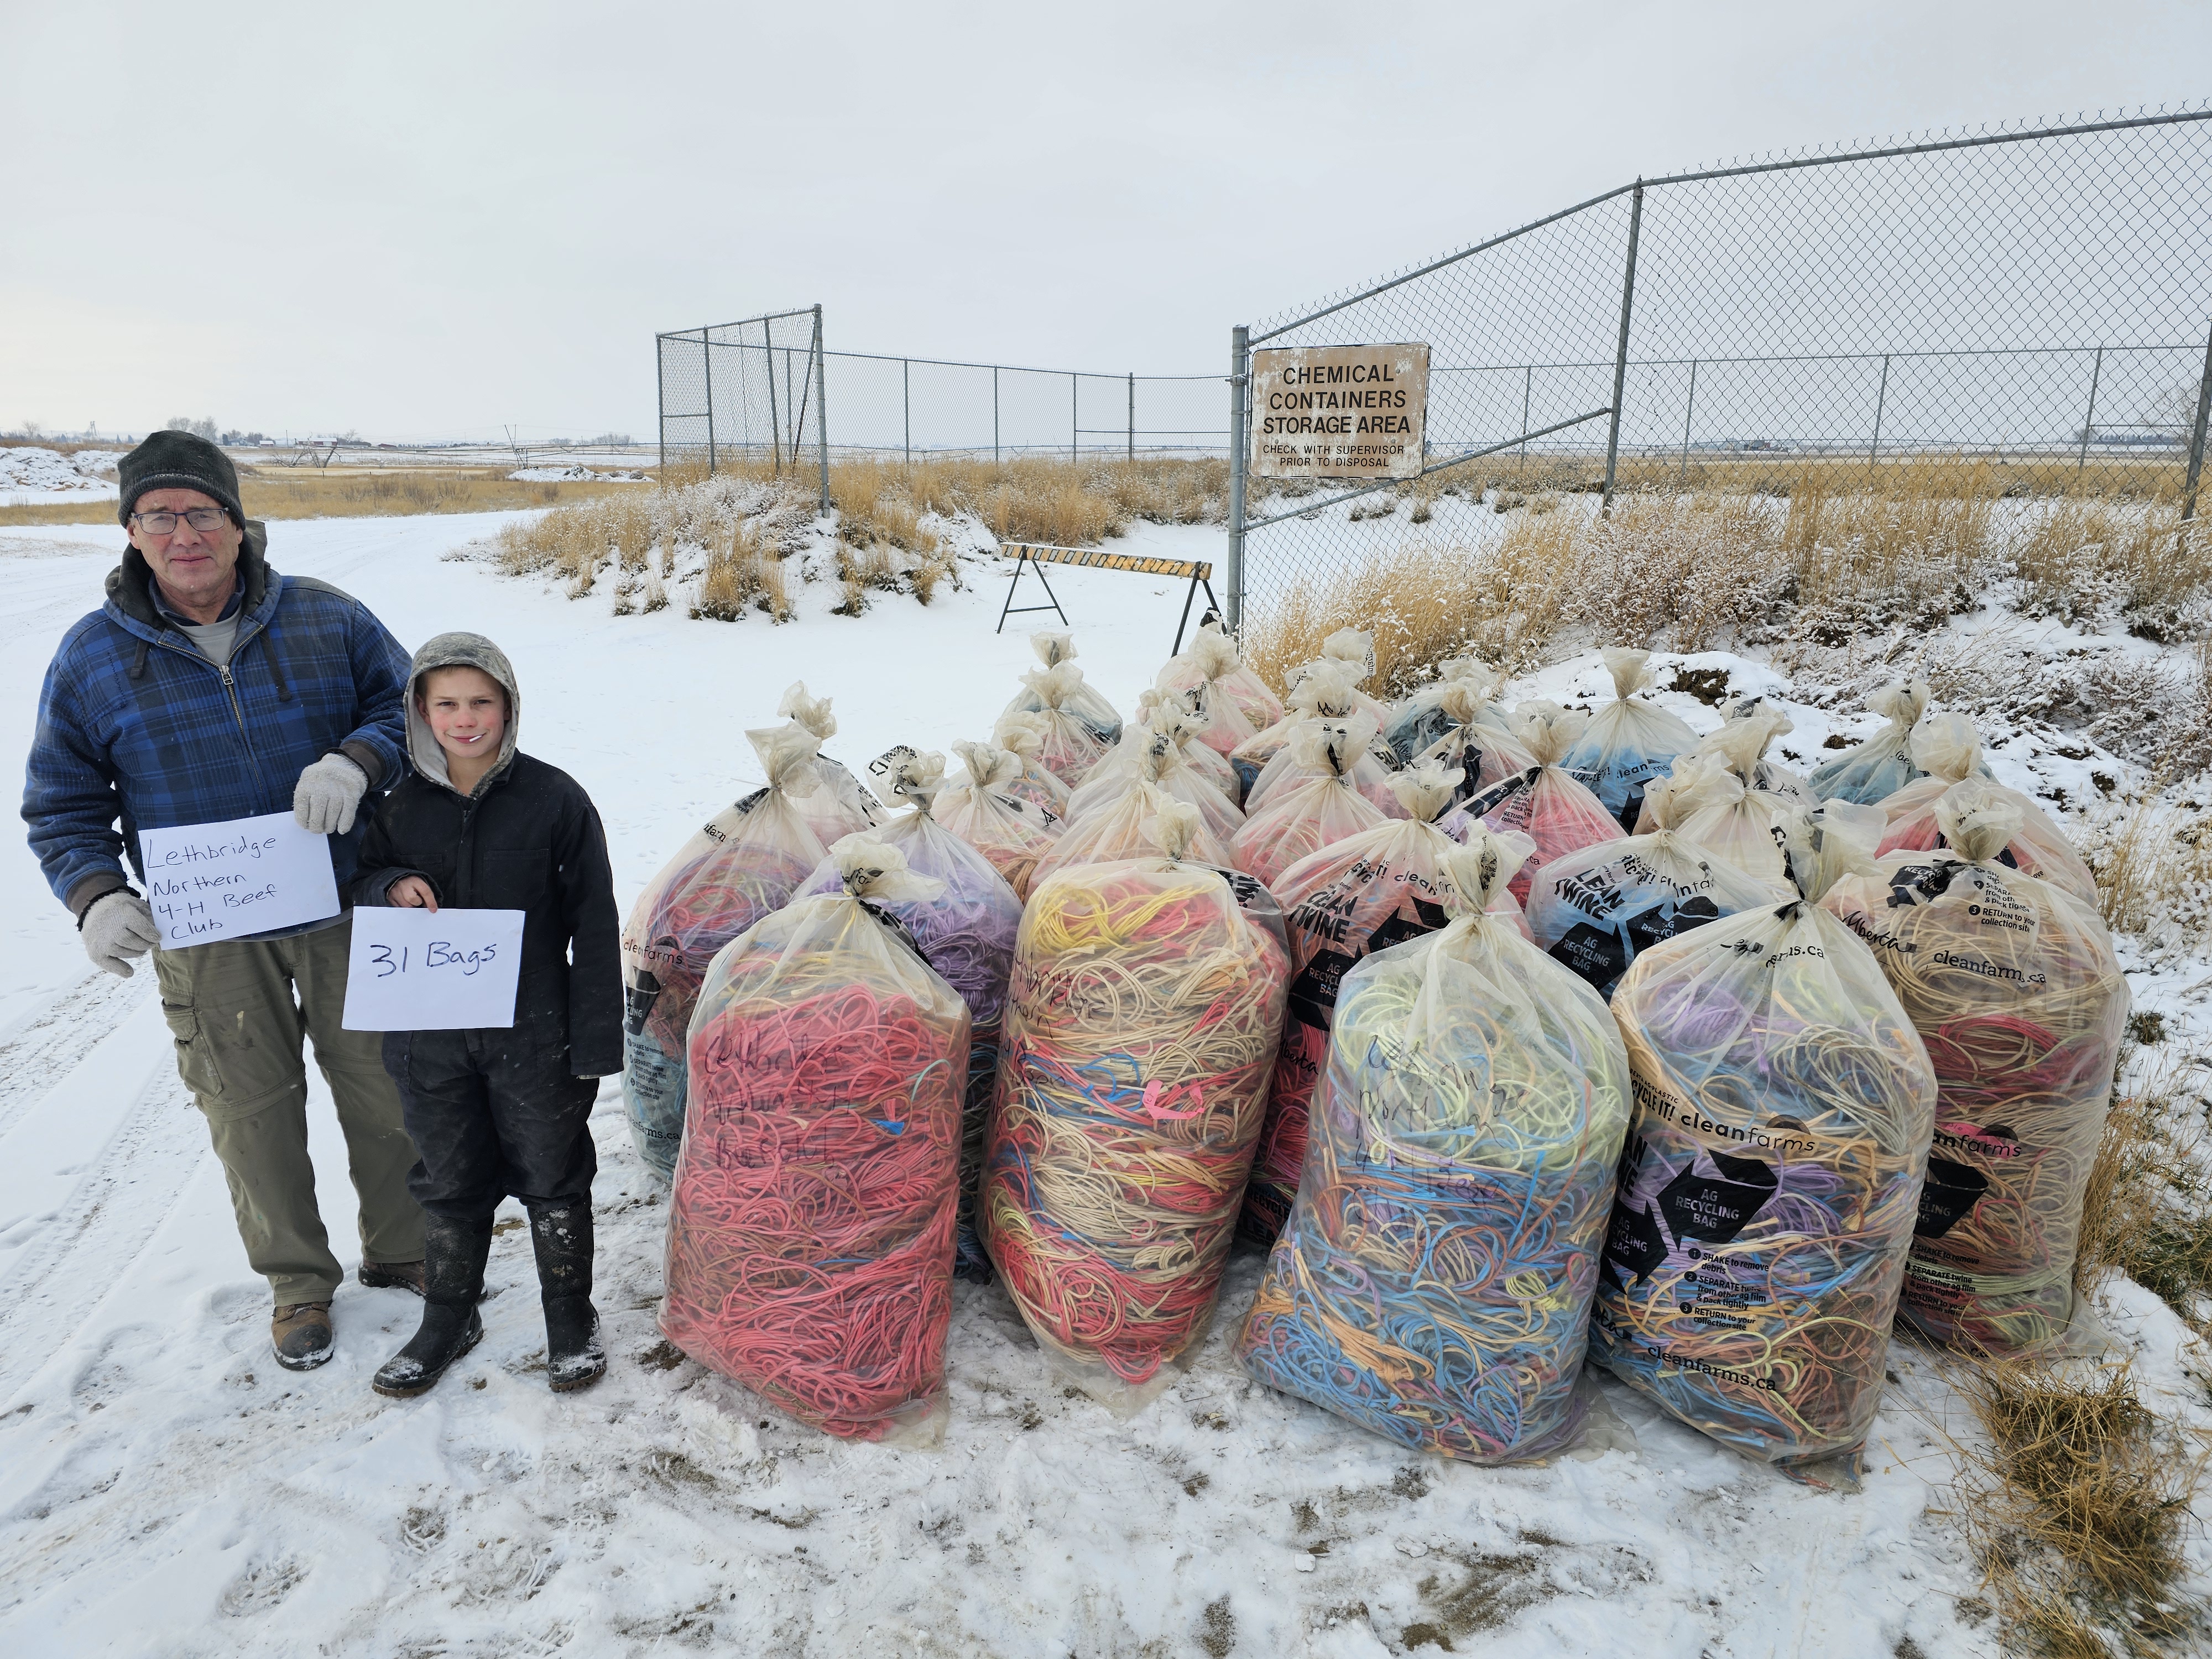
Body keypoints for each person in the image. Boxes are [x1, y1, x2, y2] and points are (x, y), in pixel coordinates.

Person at [23, 430, 424, 1373]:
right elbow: (62, 802)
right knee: (249, 1112)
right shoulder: (90, 658)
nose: (184, 532)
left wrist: (357, 760)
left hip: (341, 903)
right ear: (130, 532)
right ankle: (297, 1284)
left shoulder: (327, 618)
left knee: (385, 1086)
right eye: (159, 515)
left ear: (241, 526)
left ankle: (406, 1247)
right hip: (210, 935)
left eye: (204, 512)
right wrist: (93, 895)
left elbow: (409, 706)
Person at [348, 633, 620, 1397]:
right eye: (446, 704)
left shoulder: (554, 800)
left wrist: (595, 1037)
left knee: (553, 1173)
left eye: (481, 702)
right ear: (420, 711)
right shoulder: (398, 806)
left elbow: (594, 923)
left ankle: (570, 1315)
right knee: (449, 1177)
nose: (465, 720)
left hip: (534, 1033)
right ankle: (448, 1316)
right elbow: (363, 879)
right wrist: (391, 883)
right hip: (428, 1039)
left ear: (509, 708)